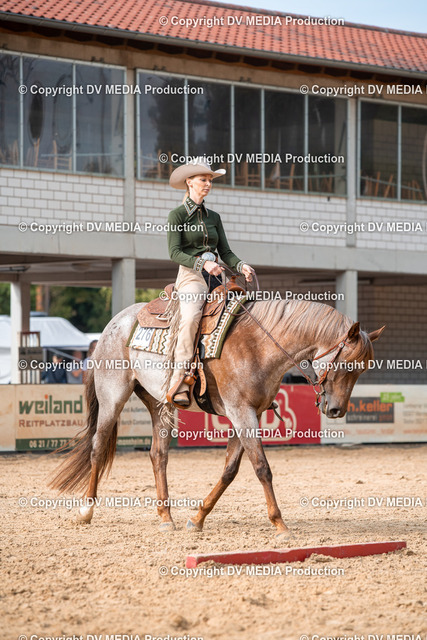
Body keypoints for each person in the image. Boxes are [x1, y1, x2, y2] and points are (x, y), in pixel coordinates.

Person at [166, 157, 255, 406]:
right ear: (189, 182)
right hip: (191, 277)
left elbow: (225, 252)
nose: (208, 183)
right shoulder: (177, 215)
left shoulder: (214, 217)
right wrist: (202, 264)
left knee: (244, 314)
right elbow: (174, 253)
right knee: (191, 318)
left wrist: (241, 265)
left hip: (218, 276)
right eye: (203, 179)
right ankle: (180, 380)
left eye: (210, 180)